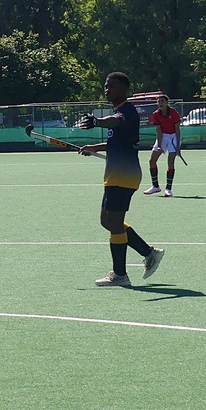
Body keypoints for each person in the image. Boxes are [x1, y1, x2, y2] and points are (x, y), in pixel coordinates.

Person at [78, 72, 164, 287]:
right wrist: (93, 148)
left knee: (113, 222)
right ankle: (149, 252)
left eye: (112, 87)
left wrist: (97, 121)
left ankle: (120, 275)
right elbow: (116, 142)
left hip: (124, 176)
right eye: (106, 86)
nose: (108, 90)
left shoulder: (126, 112)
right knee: (107, 221)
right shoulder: (119, 111)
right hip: (116, 175)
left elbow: (114, 122)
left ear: (125, 89)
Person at [143, 95, 182, 197]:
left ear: (166, 102)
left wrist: (178, 147)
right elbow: (159, 131)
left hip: (173, 136)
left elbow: (177, 130)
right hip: (163, 136)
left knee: (170, 162)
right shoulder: (156, 114)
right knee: (152, 161)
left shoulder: (174, 113)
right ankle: (155, 186)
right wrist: (159, 145)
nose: (160, 103)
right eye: (159, 101)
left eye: (162, 101)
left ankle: (168, 189)